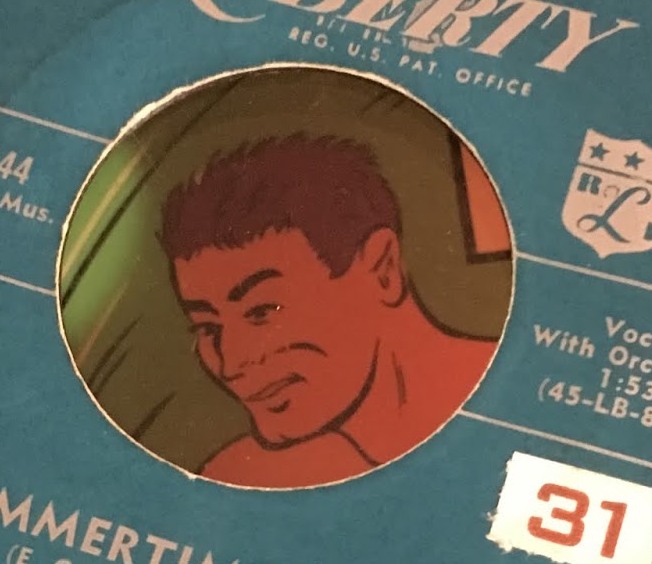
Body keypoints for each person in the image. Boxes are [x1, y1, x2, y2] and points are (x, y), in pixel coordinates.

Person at [158, 134, 497, 487]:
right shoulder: (238, 476)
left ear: (382, 272)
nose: (232, 363)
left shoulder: (515, 402)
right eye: (208, 328)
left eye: (263, 310)